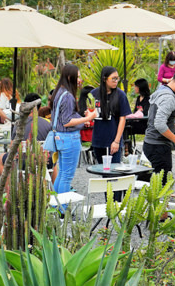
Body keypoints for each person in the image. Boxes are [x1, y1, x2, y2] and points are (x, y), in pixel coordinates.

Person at [48, 64, 97, 195]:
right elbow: (67, 122)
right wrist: (89, 118)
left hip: (60, 138)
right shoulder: (68, 96)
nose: (80, 79)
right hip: (69, 138)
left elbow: (64, 117)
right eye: (78, 76)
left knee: (62, 173)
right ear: (70, 77)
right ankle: (63, 210)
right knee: (67, 176)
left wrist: (81, 119)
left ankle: (57, 206)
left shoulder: (59, 92)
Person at [143, 68, 175, 185]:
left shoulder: (161, 89)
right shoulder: (169, 98)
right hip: (158, 146)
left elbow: (156, 116)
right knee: (162, 185)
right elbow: (159, 124)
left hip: (151, 143)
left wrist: (172, 125)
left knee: (157, 182)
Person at [90, 66, 131, 165]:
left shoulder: (120, 95)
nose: (116, 81)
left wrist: (116, 141)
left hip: (113, 140)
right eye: (113, 78)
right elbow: (88, 112)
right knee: (102, 171)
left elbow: (122, 119)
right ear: (104, 79)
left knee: (114, 173)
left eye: (117, 78)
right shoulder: (93, 94)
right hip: (98, 140)